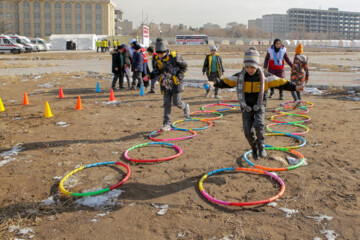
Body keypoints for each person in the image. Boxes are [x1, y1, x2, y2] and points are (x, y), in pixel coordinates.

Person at [205, 47, 304, 159]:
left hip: (259, 104)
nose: (249, 70)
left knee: (259, 124)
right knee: (247, 131)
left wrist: (295, 87)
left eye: (252, 67)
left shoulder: (266, 77)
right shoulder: (240, 77)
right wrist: (213, 82)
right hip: (245, 106)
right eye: (247, 67)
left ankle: (261, 145)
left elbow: (281, 82)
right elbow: (226, 81)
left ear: (257, 65)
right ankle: (254, 147)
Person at [143, 38, 190, 131]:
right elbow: (157, 70)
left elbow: (185, 67)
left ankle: (185, 106)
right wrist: (149, 76)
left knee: (177, 102)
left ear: (165, 51)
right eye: (158, 53)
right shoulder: (157, 58)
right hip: (165, 84)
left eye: (161, 54)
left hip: (175, 83)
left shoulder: (174, 56)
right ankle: (166, 124)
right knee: (166, 104)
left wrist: (179, 77)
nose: (160, 56)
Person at [291, 44, 309, 108]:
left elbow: (295, 68)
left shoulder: (296, 58)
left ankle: (296, 100)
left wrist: (293, 72)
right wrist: (307, 78)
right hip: (302, 76)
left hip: (296, 76)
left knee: (292, 88)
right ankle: (300, 101)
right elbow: (307, 69)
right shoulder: (305, 58)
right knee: (298, 88)